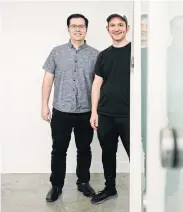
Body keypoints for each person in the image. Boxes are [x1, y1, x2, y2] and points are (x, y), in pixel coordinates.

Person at [41, 13, 99, 202]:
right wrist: (44, 105)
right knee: (58, 149)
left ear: (86, 29)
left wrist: (96, 112)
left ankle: (83, 182)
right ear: (68, 29)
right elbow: (48, 79)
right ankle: (56, 185)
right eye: (73, 26)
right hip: (61, 111)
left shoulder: (95, 55)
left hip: (85, 112)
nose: (77, 29)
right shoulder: (56, 52)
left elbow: (99, 85)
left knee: (84, 149)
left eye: (81, 26)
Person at [90, 13, 131, 204]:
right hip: (105, 114)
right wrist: (94, 112)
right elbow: (97, 84)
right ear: (107, 30)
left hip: (130, 115)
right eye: (112, 25)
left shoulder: (135, 52)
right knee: (108, 153)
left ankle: (149, 187)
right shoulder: (103, 55)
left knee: (138, 153)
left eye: (120, 25)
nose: (116, 28)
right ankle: (110, 188)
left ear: (127, 28)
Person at [141, 13, 148, 193]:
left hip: (152, 109)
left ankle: (150, 186)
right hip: (126, 110)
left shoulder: (161, 52)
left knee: (150, 148)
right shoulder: (130, 51)